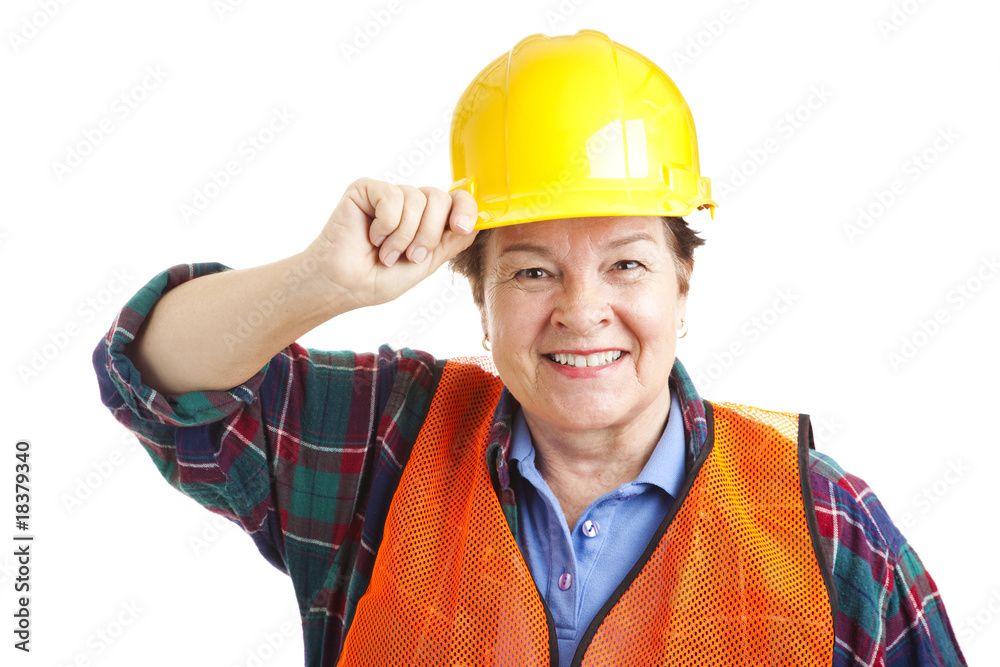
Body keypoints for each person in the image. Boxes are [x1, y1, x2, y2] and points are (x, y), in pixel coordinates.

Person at [92, 29, 966, 666]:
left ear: (683, 287)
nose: (583, 311)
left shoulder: (821, 526)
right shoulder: (384, 446)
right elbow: (153, 377)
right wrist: (322, 283)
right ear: (480, 297)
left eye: (626, 263)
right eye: (533, 272)